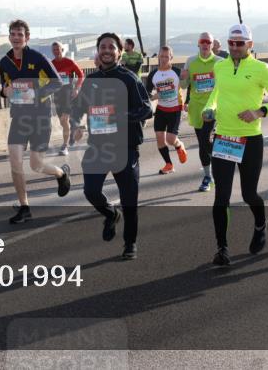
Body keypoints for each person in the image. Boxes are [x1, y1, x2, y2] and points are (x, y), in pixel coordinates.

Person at [203, 24, 268, 266]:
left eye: (240, 43)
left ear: (250, 44)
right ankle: (222, 248)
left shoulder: (261, 68)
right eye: (231, 43)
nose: (235, 47)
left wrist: (259, 112)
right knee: (221, 196)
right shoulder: (220, 66)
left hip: (250, 139)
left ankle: (260, 224)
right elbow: (216, 93)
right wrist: (209, 108)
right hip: (224, 138)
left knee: (249, 194)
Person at [71, 32, 153, 260]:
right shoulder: (91, 80)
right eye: (103, 47)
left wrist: (121, 117)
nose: (106, 50)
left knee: (129, 200)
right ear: (98, 51)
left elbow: (147, 109)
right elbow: (77, 108)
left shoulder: (129, 79)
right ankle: (110, 214)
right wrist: (76, 124)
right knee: (91, 191)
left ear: (119, 52)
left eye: (111, 47)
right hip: (98, 147)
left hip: (125, 147)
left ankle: (130, 243)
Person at [0, 19, 71, 224]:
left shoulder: (38, 58)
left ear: (27, 37)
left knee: (36, 165)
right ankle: (25, 207)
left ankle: (61, 174)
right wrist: (5, 91)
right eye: (13, 34)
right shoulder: (4, 62)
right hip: (19, 117)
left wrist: (35, 93)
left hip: (40, 117)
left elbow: (57, 82)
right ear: (9, 37)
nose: (16, 38)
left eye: (20, 34)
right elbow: (4, 87)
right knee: (15, 161)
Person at [182, 32, 221, 192]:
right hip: (196, 108)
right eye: (202, 41)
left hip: (212, 108)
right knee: (203, 143)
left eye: (208, 42)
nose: (205, 44)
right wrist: (183, 77)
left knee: (205, 139)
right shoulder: (190, 61)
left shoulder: (220, 62)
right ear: (198, 44)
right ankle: (208, 176)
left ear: (212, 45)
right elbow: (184, 86)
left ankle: (219, 167)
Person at [145, 45, 187, 174]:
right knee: (159, 139)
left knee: (170, 139)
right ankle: (169, 164)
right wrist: (153, 97)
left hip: (175, 108)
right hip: (161, 109)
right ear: (158, 56)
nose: (163, 59)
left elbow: (189, 83)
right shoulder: (153, 74)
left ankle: (179, 145)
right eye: (161, 56)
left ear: (171, 58)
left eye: (166, 57)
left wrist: (188, 100)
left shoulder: (177, 72)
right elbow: (147, 93)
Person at [50, 41, 85, 155]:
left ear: (62, 50)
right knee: (62, 122)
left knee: (64, 120)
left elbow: (81, 75)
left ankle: (65, 146)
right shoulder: (51, 64)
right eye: (54, 50)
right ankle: (74, 129)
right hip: (57, 96)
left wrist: (76, 89)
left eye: (58, 49)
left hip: (69, 96)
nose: (56, 51)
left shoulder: (69, 62)